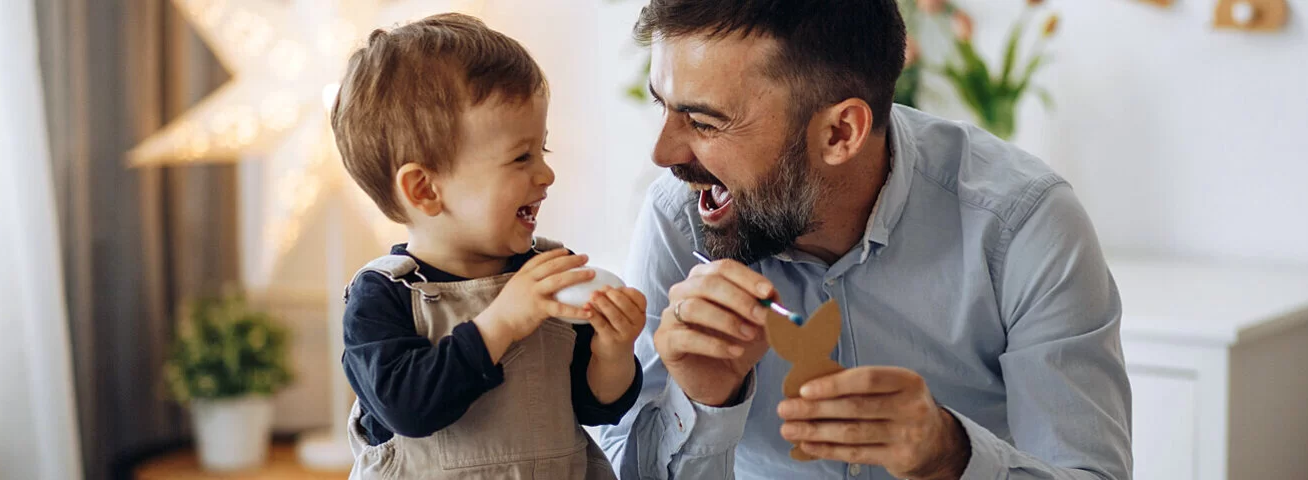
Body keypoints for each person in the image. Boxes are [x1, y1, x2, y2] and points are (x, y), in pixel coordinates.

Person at [598, 1, 1133, 479]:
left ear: (840, 133)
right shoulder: (680, 218)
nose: (664, 154)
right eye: (662, 106)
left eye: (704, 122)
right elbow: (620, 468)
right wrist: (703, 403)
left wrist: (950, 457)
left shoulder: (1023, 226)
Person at [330, 13, 646, 479]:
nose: (546, 174)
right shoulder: (383, 296)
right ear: (425, 190)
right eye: (521, 157)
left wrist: (613, 352)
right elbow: (410, 409)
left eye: (544, 150)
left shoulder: (547, 272)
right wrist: (502, 322)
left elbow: (595, 406)